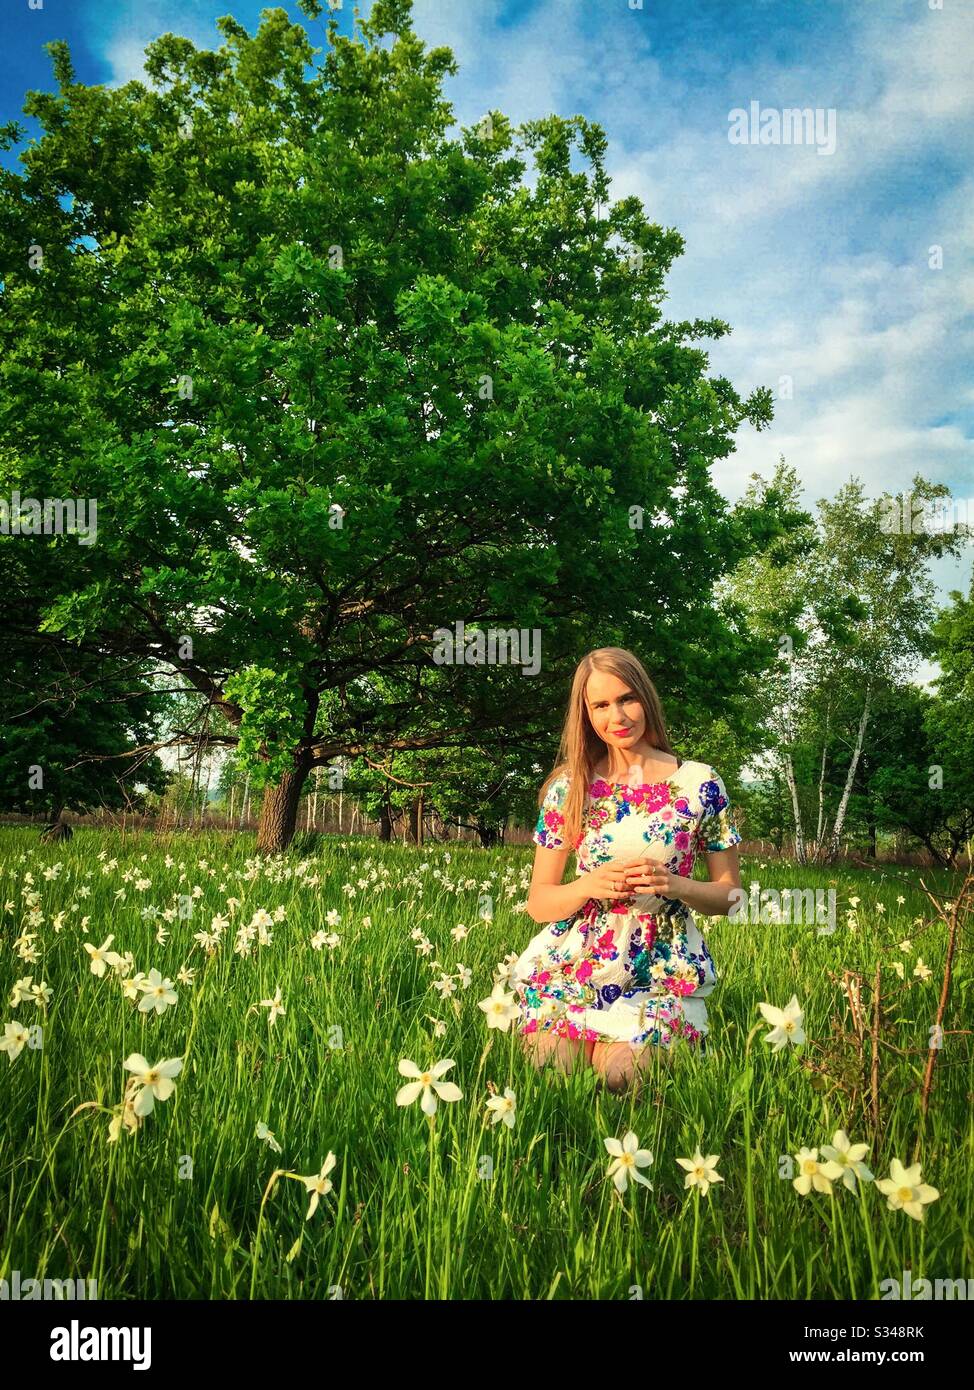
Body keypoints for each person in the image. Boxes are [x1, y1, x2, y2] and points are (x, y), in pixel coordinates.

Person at [514, 646, 742, 1093]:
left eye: (627, 698)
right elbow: (540, 903)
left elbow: (731, 898)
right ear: (585, 714)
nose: (617, 715)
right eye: (600, 705)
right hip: (575, 966)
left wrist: (676, 885)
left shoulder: (699, 782)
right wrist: (587, 885)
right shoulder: (571, 786)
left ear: (646, 699)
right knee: (553, 1076)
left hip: (662, 968)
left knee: (622, 1078)